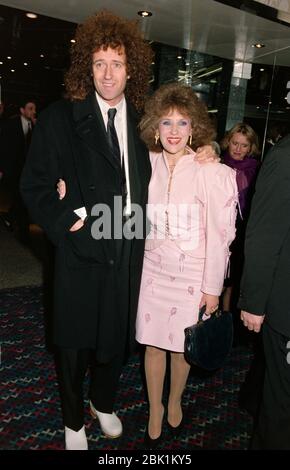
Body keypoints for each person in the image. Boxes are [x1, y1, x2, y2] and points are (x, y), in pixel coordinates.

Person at [20, 10, 153, 450]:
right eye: (99, 63)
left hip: (127, 247)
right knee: (75, 343)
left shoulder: (144, 123)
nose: (108, 73)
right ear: (86, 68)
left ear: (130, 69)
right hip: (82, 249)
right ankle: (74, 420)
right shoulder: (61, 118)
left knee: (114, 340)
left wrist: (206, 152)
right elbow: (35, 186)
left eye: (116, 63)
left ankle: (104, 401)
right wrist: (68, 224)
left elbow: (173, 159)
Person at [135, 83, 238, 448]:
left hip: (192, 275)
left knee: (182, 347)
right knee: (152, 345)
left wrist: (213, 288)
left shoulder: (210, 170)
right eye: (166, 123)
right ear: (155, 128)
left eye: (182, 123)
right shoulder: (144, 163)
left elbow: (221, 234)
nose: (174, 131)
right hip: (152, 270)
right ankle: (154, 409)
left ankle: (175, 400)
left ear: (194, 128)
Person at [238, 132, 290, 450]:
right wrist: (254, 302)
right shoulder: (286, 157)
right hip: (285, 311)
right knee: (282, 410)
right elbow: (263, 235)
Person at [220, 123, 260, 316]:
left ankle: (225, 325)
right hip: (217, 227)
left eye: (244, 145)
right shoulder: (217, 164)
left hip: (241, 230)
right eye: (235, 143)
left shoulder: (256, 171)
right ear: (228, 142)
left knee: (232, 283)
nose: (238, 149)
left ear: (250, 147)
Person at [0, 99, 36, 238]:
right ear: (22, 110)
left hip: (27, 171)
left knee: (21, 197)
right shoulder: (11, 124)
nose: (33, 111)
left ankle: (11, 218)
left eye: (34, 108)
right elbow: (4, 147)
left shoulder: (35, 126)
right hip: (14, 169)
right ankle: (23, 229)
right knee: (20, 196)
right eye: (30, 108)